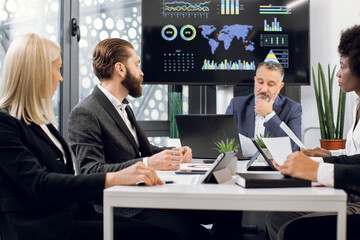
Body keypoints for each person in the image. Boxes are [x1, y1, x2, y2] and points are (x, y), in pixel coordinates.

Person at [0, 34, 179, 240]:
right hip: (43, 227)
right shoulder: (5, 124)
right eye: (57, 68)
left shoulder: (40, 122)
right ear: (37, 72)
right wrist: (115, 177)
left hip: (71, 215)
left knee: (163, 234)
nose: (61, 78)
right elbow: (41, 184)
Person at [68, 38, 243, 240]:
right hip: (125, 206)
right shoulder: (86, 112)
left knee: (230, 207)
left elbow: (143, 149)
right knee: (194, 234)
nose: (141, 72)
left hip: (146, 194)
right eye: (137, 64)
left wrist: (172, 153)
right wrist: (148, 163)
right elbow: (91, 172)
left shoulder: (123, 106)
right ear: (120, 69)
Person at [266, 25, 360, 240]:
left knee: (295, 229)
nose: (338, 73)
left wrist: (318, 169)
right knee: (276, 217)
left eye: (343, 66)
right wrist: (326, 156)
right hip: (351, 193)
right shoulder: (357, 104)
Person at [225, 61, 302, 152]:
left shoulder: (293, 108)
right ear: (255, 80)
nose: (264, 89)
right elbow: (224, 142)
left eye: (270, 84)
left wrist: (269, 116)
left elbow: (294, 148)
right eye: (260, 82)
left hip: (275, 165)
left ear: (280, 87)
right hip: (243, 164)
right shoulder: (236, 105)